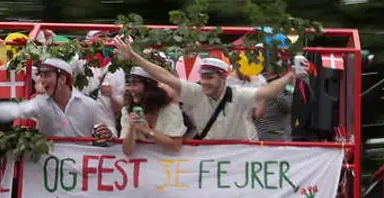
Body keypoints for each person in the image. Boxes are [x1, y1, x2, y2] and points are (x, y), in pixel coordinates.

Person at [112, 37, 296, 141]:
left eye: (210, 77)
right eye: (203, 77)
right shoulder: (196, 92)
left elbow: (268, 92)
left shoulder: (239, 95)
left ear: (223, 77)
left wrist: (290, 75)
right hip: (209, 158)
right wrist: (134, 58)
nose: (205, 82)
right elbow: (164, 76)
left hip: (239, 155)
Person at [0, 56, 115, 140]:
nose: (42, 81)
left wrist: (108, 133)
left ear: (62, 79)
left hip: (81, 172)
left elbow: (110, 130)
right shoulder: (41, 104)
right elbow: (14, 110)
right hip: (50, 175)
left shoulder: (89, 105)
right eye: (41, 76)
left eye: (47, 76)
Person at [119, 66, 186, 155]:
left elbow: (176, 146)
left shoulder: (168, 108)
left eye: (134, 84)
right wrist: (131, 128)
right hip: (144, 165)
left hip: (168, 164)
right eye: (128, 85)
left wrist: (146, 130)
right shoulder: (127, 110)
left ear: (149, 87)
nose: (130, 89)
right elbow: (127, 151)